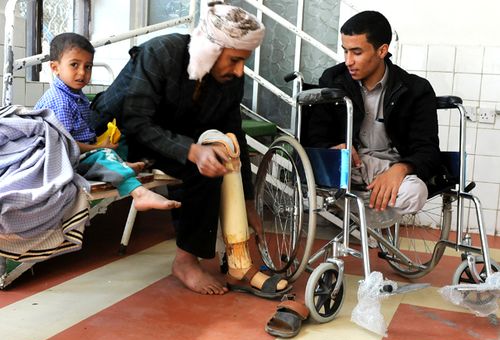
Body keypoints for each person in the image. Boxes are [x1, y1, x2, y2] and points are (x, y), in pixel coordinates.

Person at [90, 3, 289, 296]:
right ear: (210, 48)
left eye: (243, 61)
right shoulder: (162, 53)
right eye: (235, 59)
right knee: (201, 162)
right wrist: (193, 152)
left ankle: (222, 260)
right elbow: (135, 121)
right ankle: (186, 263)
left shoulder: (230, 78)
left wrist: (248, 200)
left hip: (177, 133)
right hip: (124, 135)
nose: (239, 70)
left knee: (217, 155)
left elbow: (235, 136)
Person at [306, 11, 440, 222]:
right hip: (350, 170)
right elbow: (315, 135)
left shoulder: (415, 89)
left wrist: (401, 169)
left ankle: (361, 215)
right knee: (326, 171)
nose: (349, 61)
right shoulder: (333, 80)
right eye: (345, 51)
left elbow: (427, 149)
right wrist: (335, 148)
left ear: (382, 51)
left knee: (415, 192)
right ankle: (364, 215)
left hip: (389, 170)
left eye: (357, 52)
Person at [35, 33, 181, 212]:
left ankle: (120, 166)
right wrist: (98, 148)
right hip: (61, 161)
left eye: (88, 66)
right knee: (102, 154)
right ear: (55, 67)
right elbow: (65, 145)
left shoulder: (75, 96)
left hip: (77, 154)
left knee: (119, 141)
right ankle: (140, 193)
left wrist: (101, 143)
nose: (82, 72)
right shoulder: (59, 101)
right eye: (74, 65)